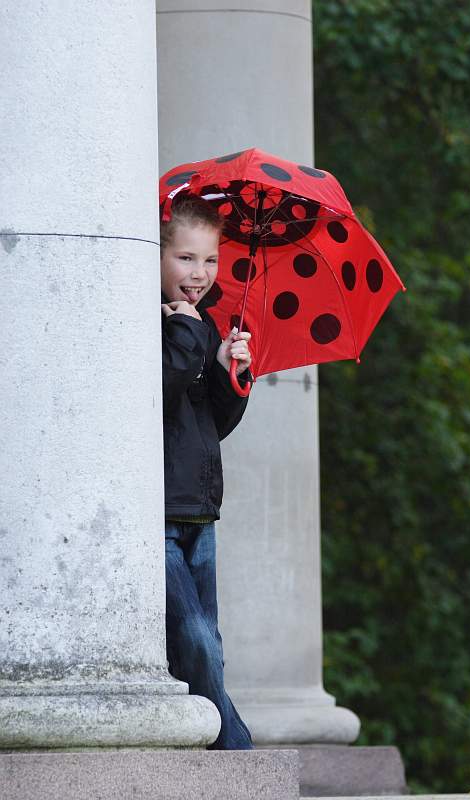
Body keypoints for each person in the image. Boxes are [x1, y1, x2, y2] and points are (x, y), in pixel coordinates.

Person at [160, 192, 254, 750]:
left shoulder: (202, 324)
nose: (200, 274)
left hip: (201, 509)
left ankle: (210, 749)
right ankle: (236, 748)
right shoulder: (157, 320)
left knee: (208, 640)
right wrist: (190, 338)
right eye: (186, 258)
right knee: (192, 632)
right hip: (159, 512)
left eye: (211, 260)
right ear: (158, 254)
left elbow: (210, 424)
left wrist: (227, 373)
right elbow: (156, 396)